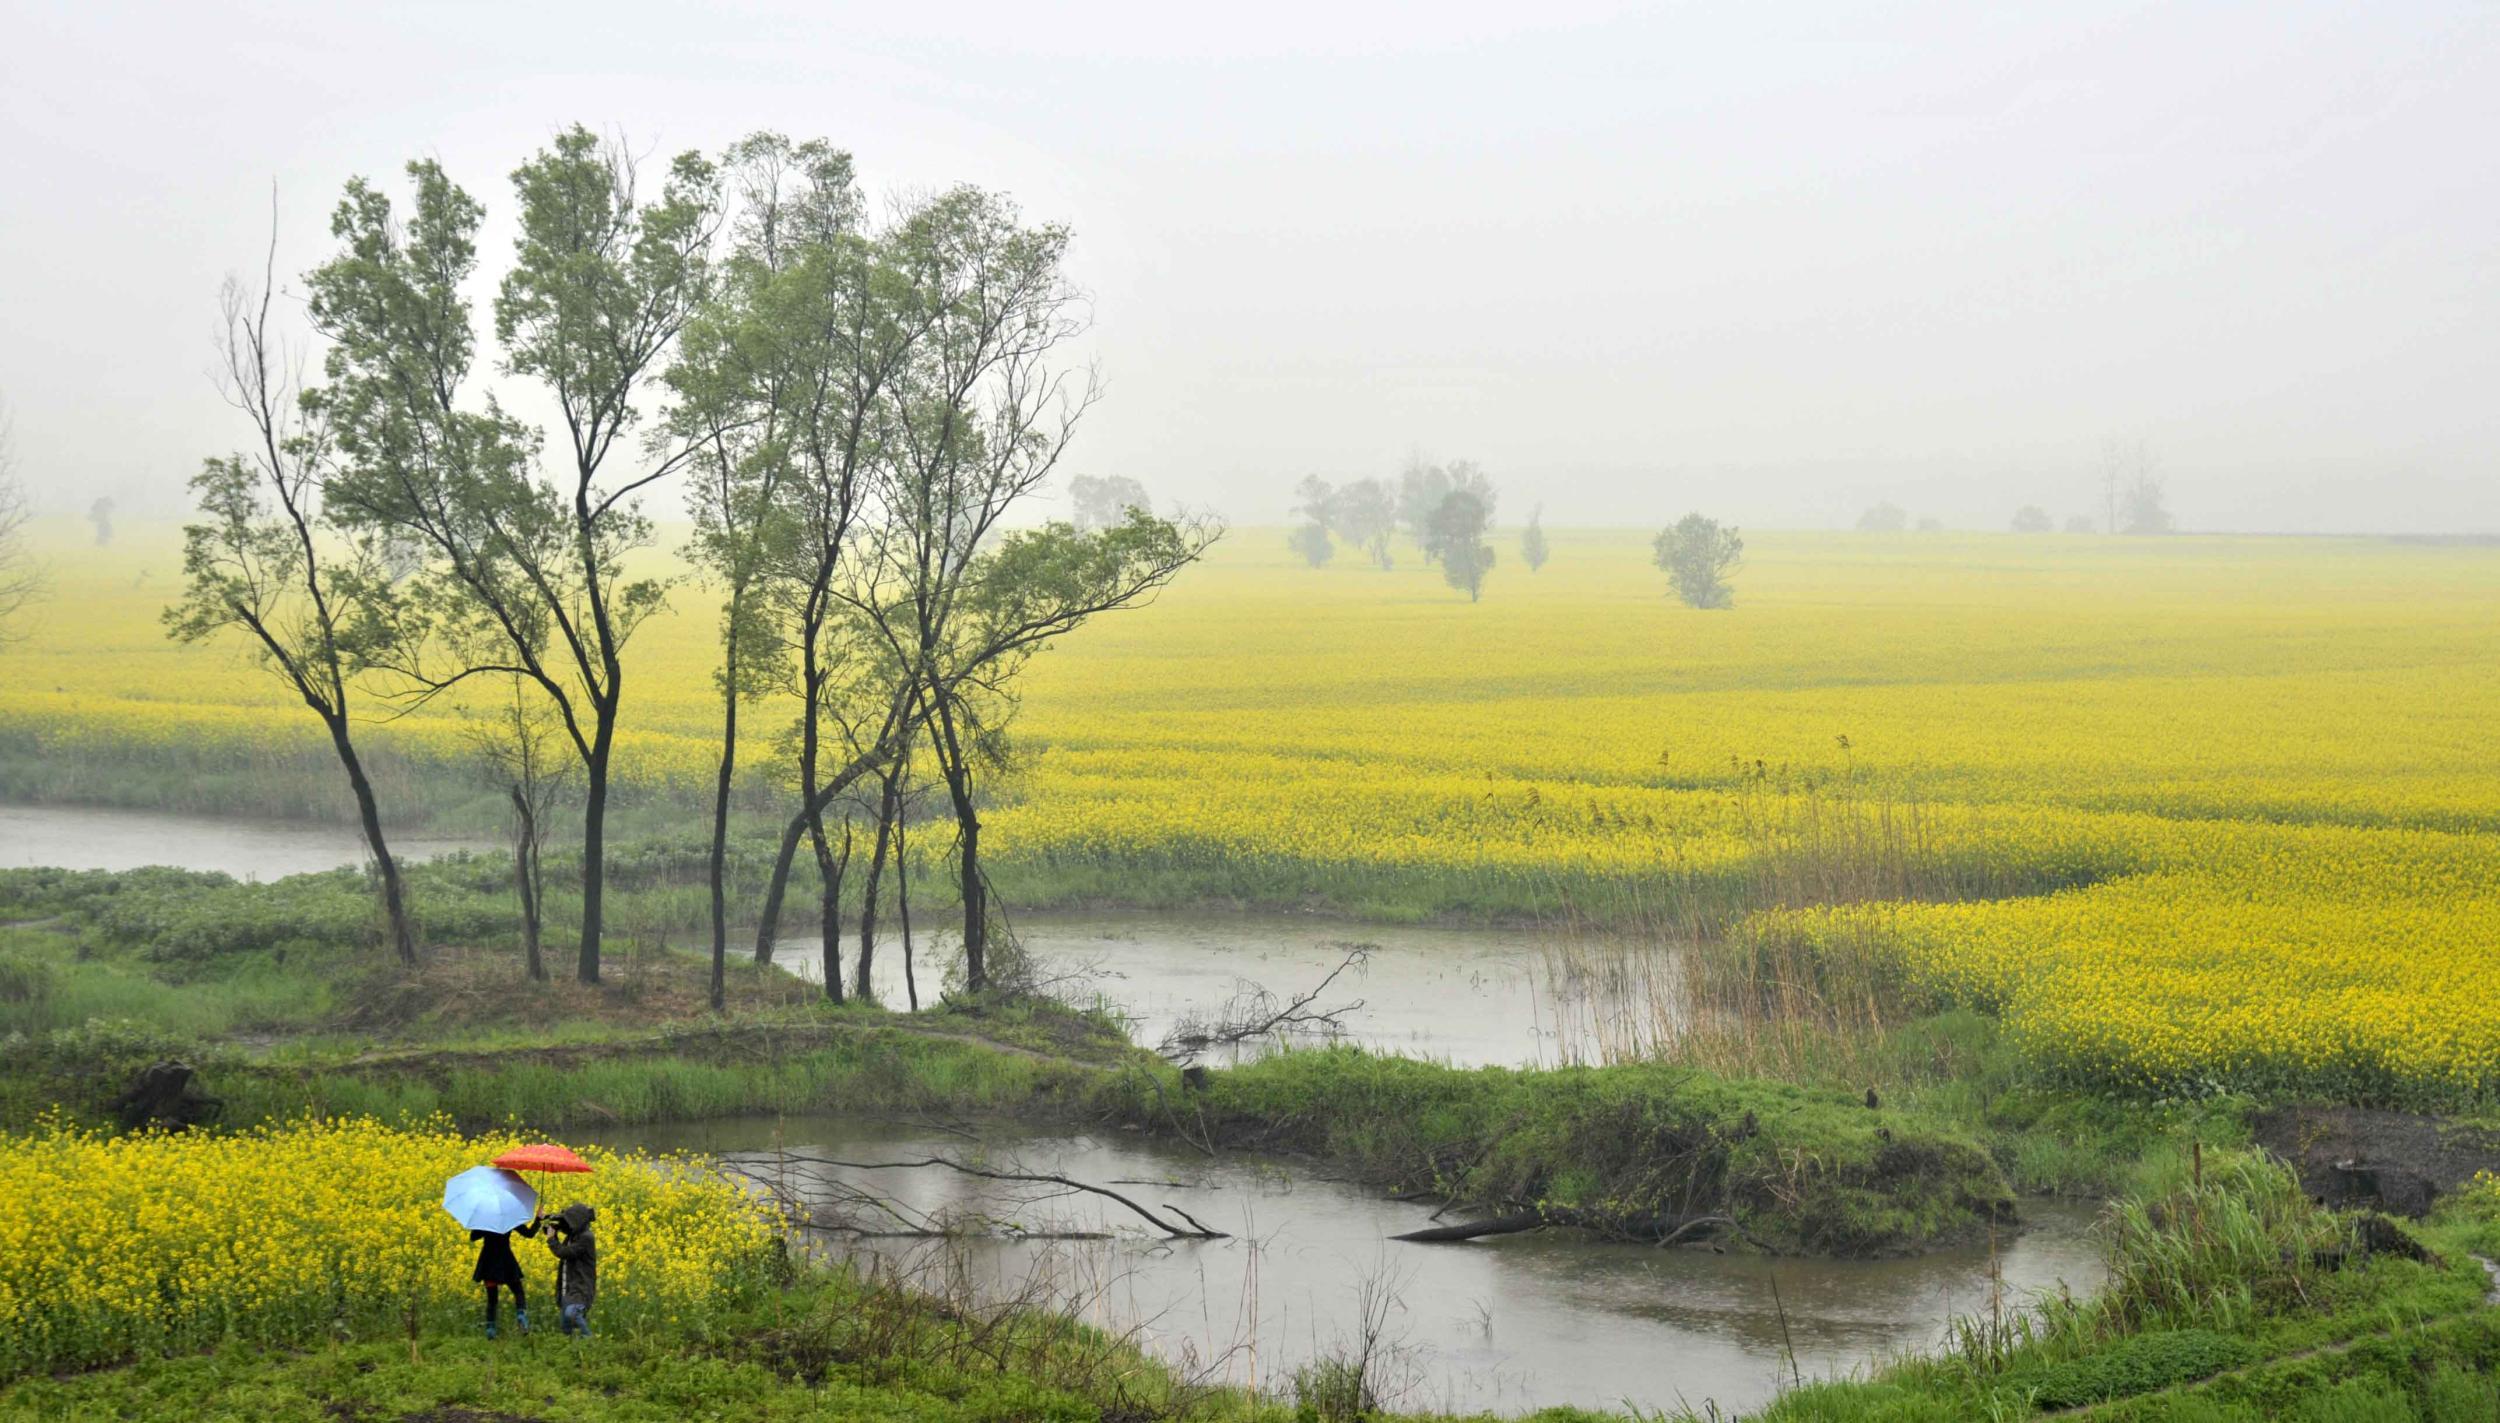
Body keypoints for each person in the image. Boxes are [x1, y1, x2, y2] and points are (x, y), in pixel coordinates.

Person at [470, 1213, 539, 1338]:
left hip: (488, 1263)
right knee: (518, 1291)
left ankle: (490, 1330)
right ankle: (521, 1315)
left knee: (492, 1299)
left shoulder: (485, 1218)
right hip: (506, 1262)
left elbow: (473, 1237)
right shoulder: (510, 1217)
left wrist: (478, 1222)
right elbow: (529, 1234)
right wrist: (538, 1219)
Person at [544, 1202, 598, 1337]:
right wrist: (545, 1220)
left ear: (577, 1222)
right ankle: (576, 1352)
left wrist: (551, 1240)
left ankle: (589, 1339)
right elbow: (559, 1226)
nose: (566, 1224)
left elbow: (565, 1252)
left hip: (581, 1286)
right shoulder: (573, 1235)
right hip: (568, 1287)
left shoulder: (586, 1238)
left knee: (572, 1313)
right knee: (566, 1329)